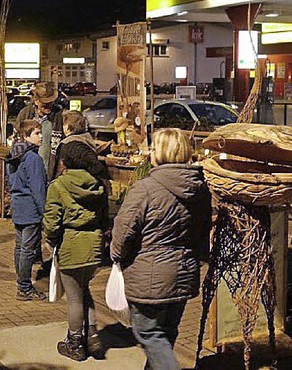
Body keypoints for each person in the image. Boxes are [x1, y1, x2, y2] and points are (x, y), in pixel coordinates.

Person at [110, 128, 211, 370]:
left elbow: (124, 231)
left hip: (150, 278)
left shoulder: (145, 188)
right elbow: (203, 231)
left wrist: (116, 256)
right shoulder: (200, 188)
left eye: (153, 148)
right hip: (184, 273)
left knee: (151, 334)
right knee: (166, 333)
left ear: (163, 152)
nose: (150, 152)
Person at [44, 141, 108, 362]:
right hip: (94, 245)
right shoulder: (98, 184)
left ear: (65, 161)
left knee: (74, 299)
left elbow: (52, 221)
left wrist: (50, 241)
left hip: (70, 244)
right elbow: (105, 216)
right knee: (85, 291)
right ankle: (93, 337)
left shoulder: (58, 185)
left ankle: (75, 343)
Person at [6, 119, 48, 301]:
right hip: (30, 208)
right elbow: (38, 188)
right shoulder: (33, 158)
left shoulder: (14, 155)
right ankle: (24, 287)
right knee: (28, 250)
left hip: (18, 206)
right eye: (37, 133)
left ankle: (21, 283)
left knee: (20, 247)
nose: (41, 137)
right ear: (26, 136)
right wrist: (45, 212)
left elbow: (11, 181)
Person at [16, 82, 65, 181]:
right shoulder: (25, 115)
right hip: (28, 169)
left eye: (51, 102)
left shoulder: (59, 117)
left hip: (50, 170)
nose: (48, 106)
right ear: (36, 101)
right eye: (45, 103)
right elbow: (17, 140)